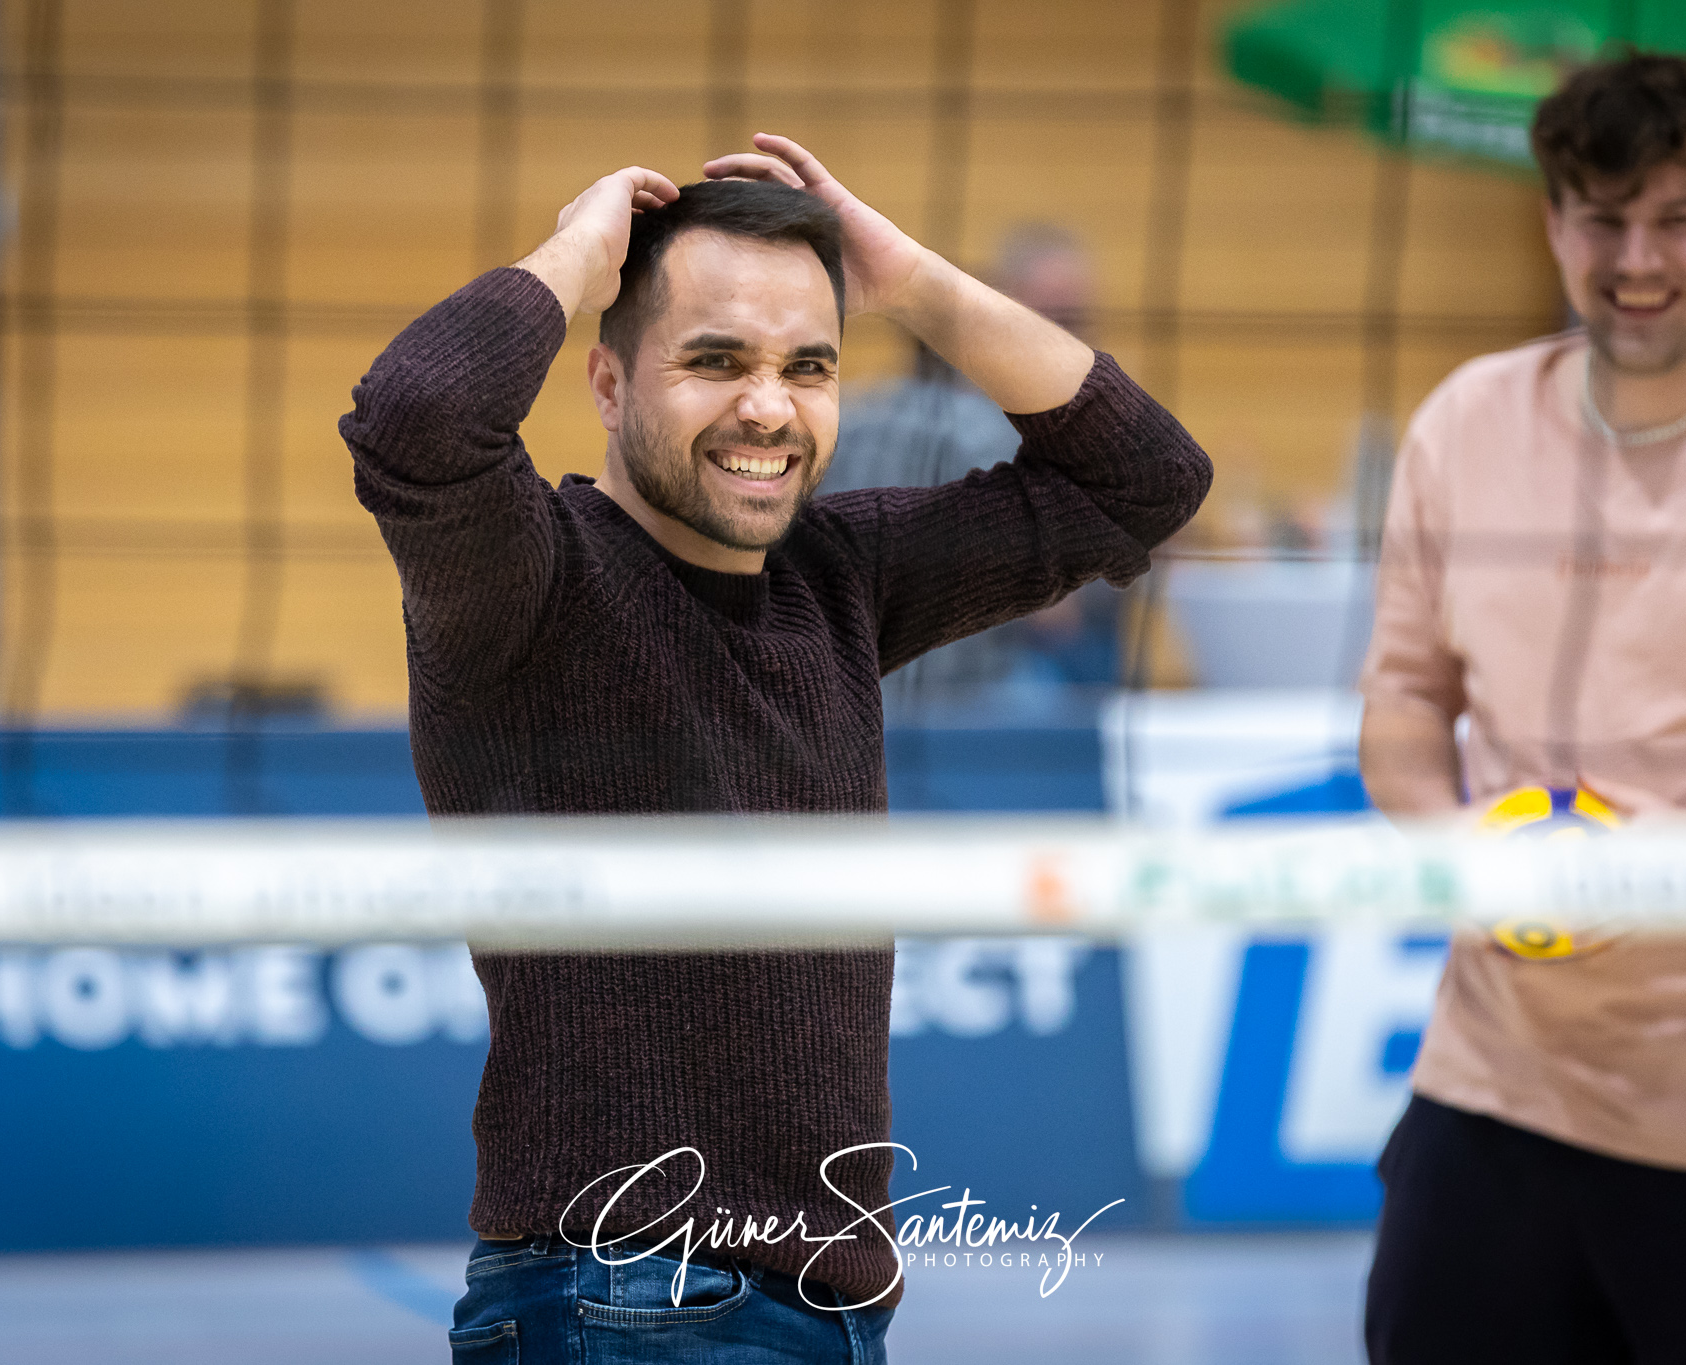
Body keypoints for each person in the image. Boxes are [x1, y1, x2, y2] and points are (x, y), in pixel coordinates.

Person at [339, 134, 1210, 1363]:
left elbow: (1145, 482)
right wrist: (585, 249)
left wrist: (904, 277)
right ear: (605, 383)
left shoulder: (836, 575)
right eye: (714, 360)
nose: (768, 406)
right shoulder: (525, 583)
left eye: (809, 366)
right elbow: (419, 416)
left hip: (829, 1311)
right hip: (622, 1300)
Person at [1358, 52, 1686, 1364]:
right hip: (1494, 1091)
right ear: (1554, 224)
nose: (1636, 256)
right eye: (1601, 215)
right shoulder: (1467, 422)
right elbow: (1407, 700)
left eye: (1678, 217)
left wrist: (1681, 867)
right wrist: (1460, 847)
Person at [825, 224, 1125, 714]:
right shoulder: (997, 439)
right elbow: (1056, 620)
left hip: (849, 692)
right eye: (1053, 317)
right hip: (971, 701)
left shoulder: (845, 422)